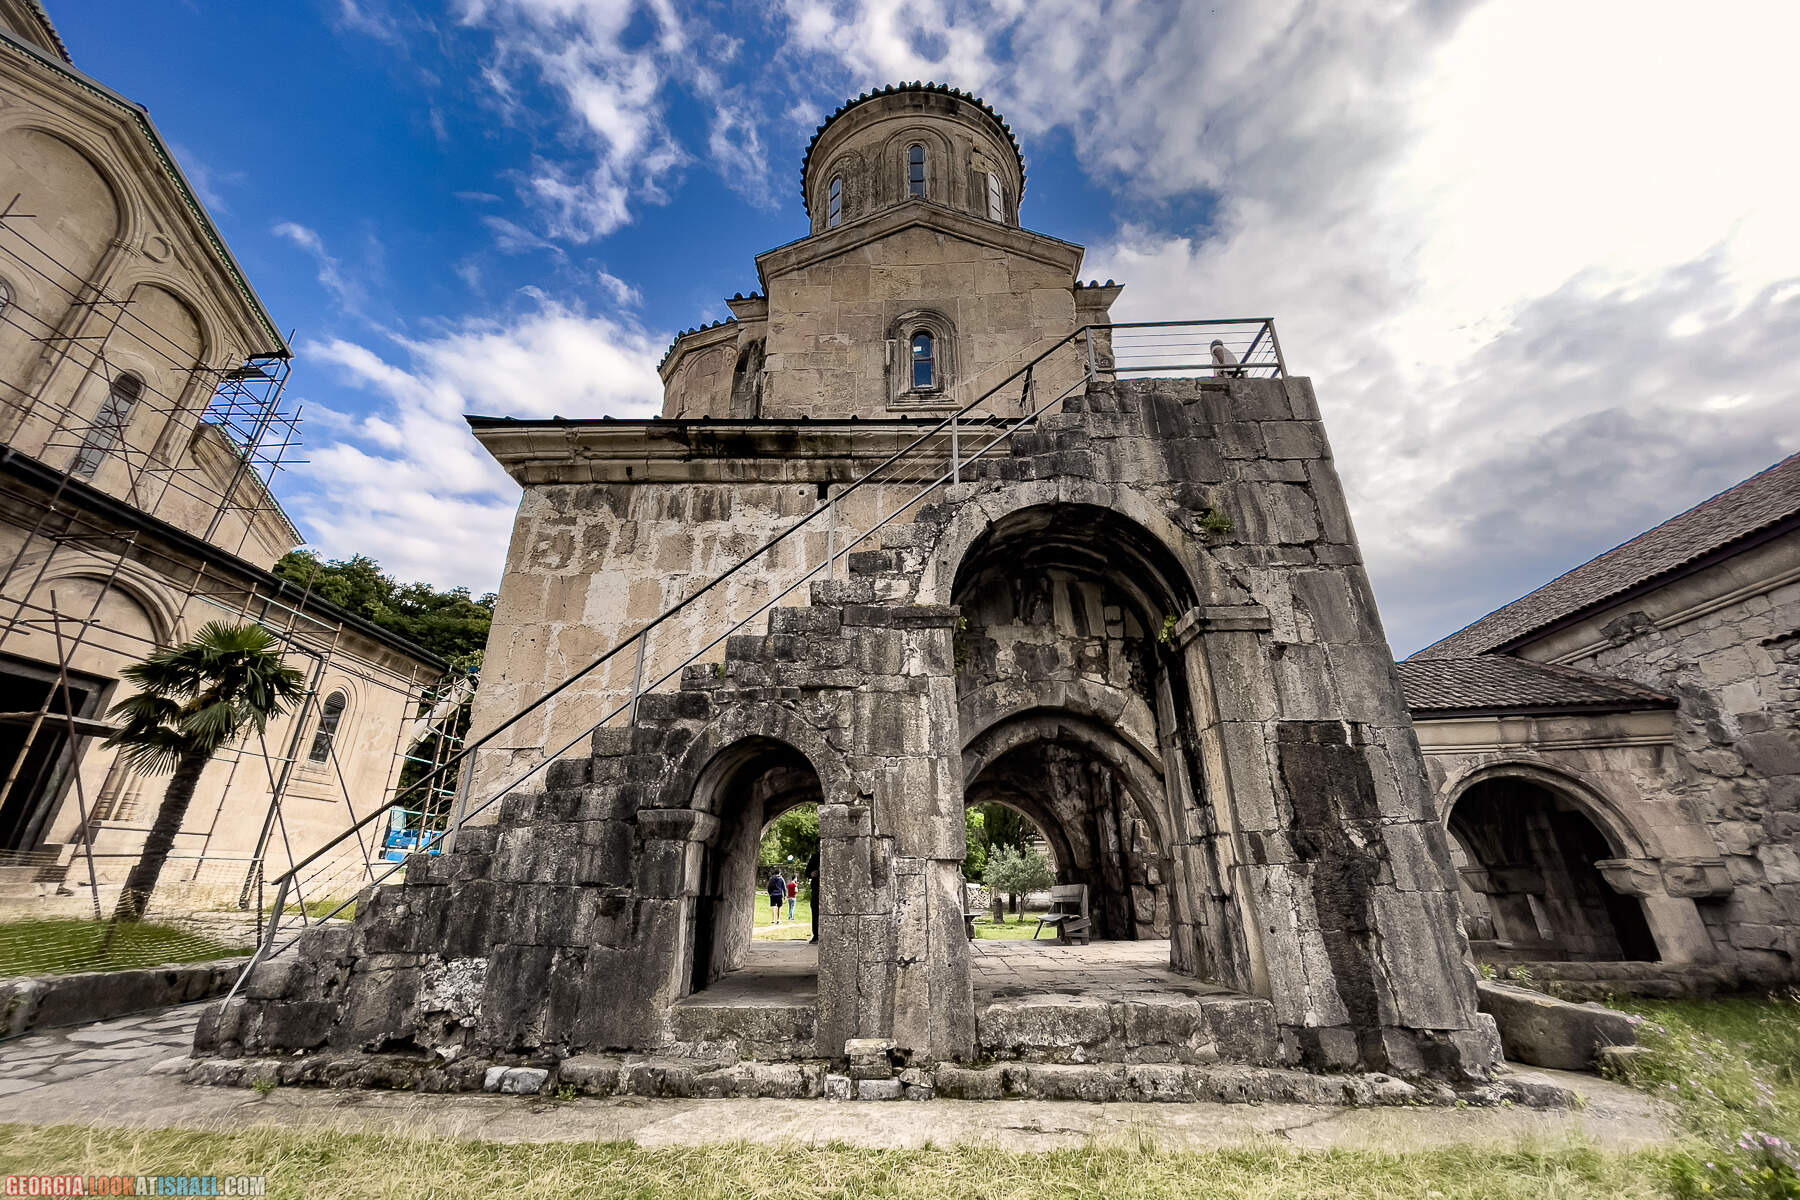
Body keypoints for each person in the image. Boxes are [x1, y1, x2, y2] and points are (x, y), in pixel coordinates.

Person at [804, 850, 820, 943]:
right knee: (815, 910)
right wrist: (811, 874)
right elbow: (807, 872)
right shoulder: (815, 857)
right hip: (816, 888)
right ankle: (816, 935)